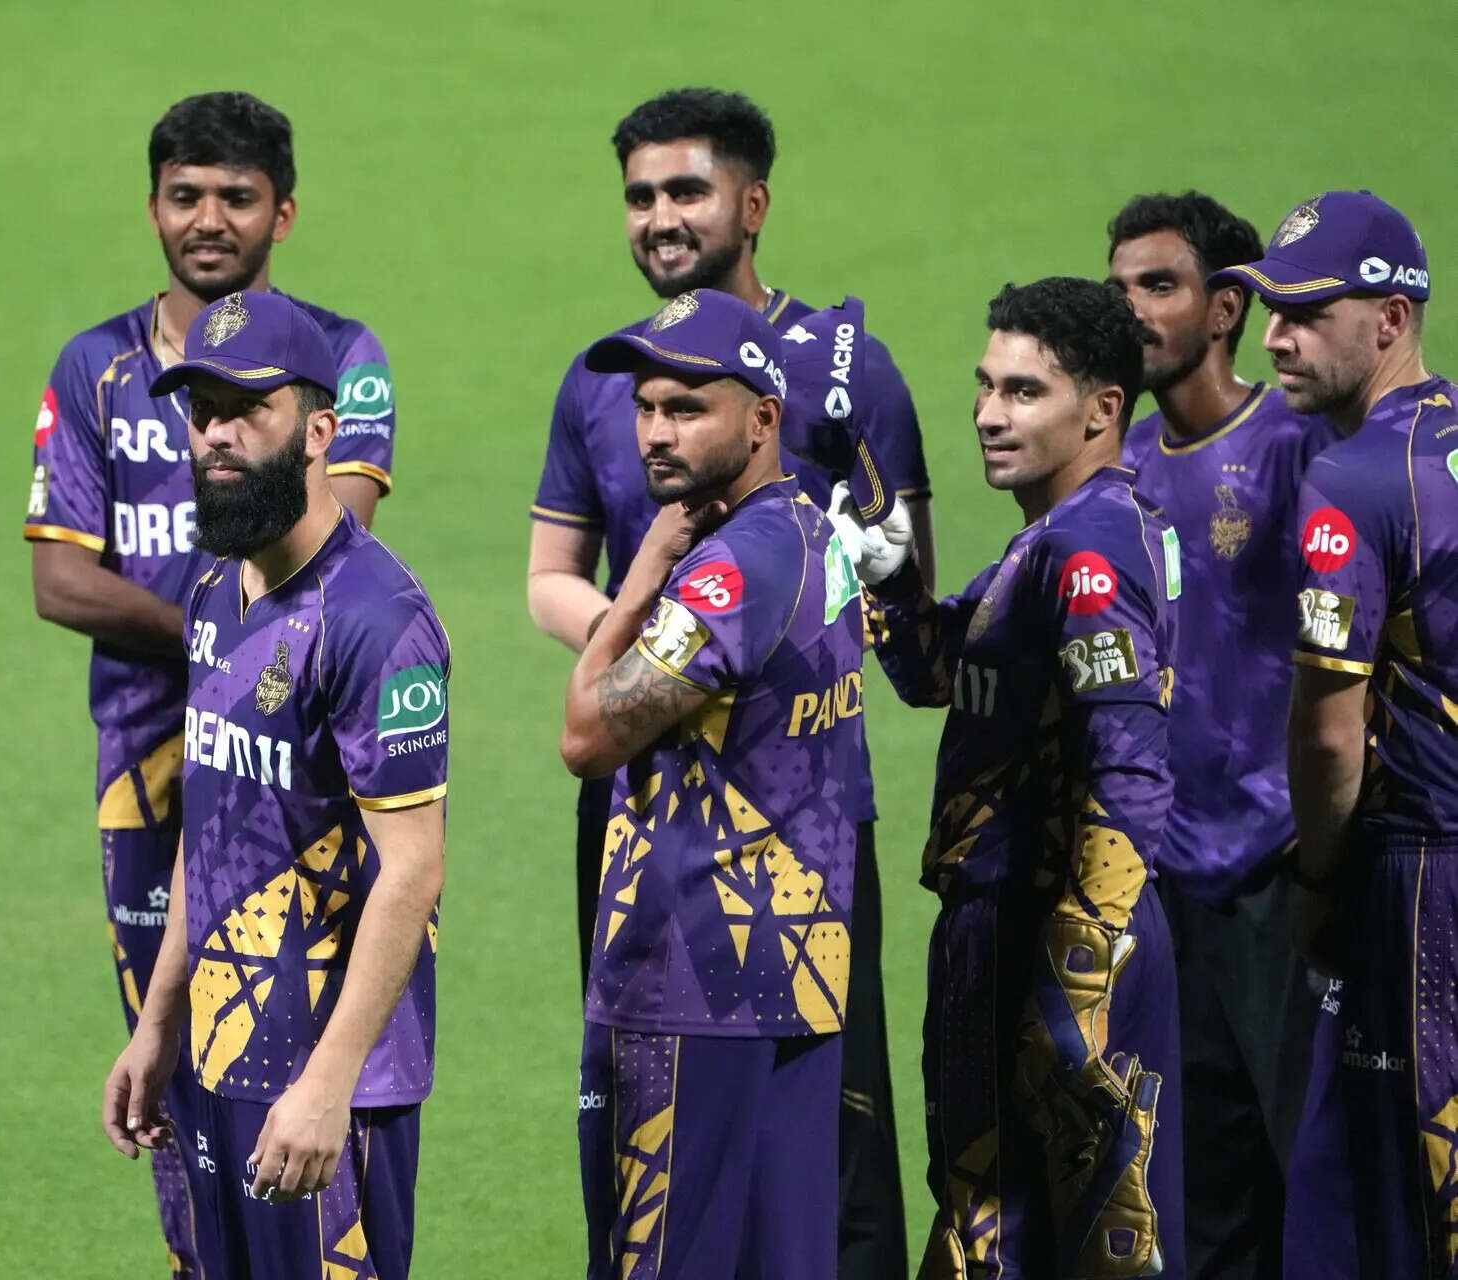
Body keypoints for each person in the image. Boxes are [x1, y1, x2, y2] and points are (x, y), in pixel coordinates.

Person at [523, 87, 917, 1275]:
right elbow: (548, 578)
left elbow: (584, 731)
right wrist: (675, 641)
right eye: (639, 194)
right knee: (762, 1204)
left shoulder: (840, 383)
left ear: (753, 203)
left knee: (701, 1202)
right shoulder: (615, 391)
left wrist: (660, 616)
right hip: (690, 821)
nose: (655, 429)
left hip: (738, 873)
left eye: (685, 189)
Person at [29, 90, 398, 1275]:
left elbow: (333, 546)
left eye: (236, 196)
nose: (207, 218)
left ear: (281, 212)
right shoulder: (95, 366)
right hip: (153, 774)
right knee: (175, 1062)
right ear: (152, 207)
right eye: (184, 195)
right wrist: (212, 637)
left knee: (305, 1047)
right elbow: (58, 581)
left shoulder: (341, 356)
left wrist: (227, 644)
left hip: (299, 765)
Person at [101, 290, 446, 1279]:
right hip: (221, 1052)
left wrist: (328, 1082)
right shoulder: (217, 587)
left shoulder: (378, 620)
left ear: (319, 431)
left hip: (329, 1088)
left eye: (249, 408)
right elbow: (210, 827)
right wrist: (159, 1021)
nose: (217, 433)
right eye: (203, 410)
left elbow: (413, 869)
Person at [846, 276, 1184, 1277]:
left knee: (1076, 1239)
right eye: (986, 385)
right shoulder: (1053, 537)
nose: (989, 414)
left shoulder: (1089, 548)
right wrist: (891, 581)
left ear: (1103, 408)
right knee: (993, 1225)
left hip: (1053, 932)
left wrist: (1083, 963)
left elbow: (1130, 765)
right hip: (1014, 928)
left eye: (1024, 392)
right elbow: (943, 673)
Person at [557, 288, 865, 1279]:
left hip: (690, 982)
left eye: (688, 407)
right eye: (646, 407)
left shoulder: (728, 571)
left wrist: (641, 576)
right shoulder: (812, 532)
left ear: (763, 417)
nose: (657, 431)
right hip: (794, 974)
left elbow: (586, 734)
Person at [1105, 191, 1335, 1278]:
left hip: (1281, 873)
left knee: (1316, 1170)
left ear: (1228, 307)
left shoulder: (1298, 443)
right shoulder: (1122, 467)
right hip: (1164, 884)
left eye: (1158, 285)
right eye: (1117, 288)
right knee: (1198, 1193)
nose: (1131, 309)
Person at [1224, 190, 1452, 1277]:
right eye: (1273, 308)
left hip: (1418, 878)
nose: (1275, 336)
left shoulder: (1353, 481)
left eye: (1310, 313)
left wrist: (1319, 882)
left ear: (1391, 320)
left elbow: (1327, 735)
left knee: (1387, 1199)